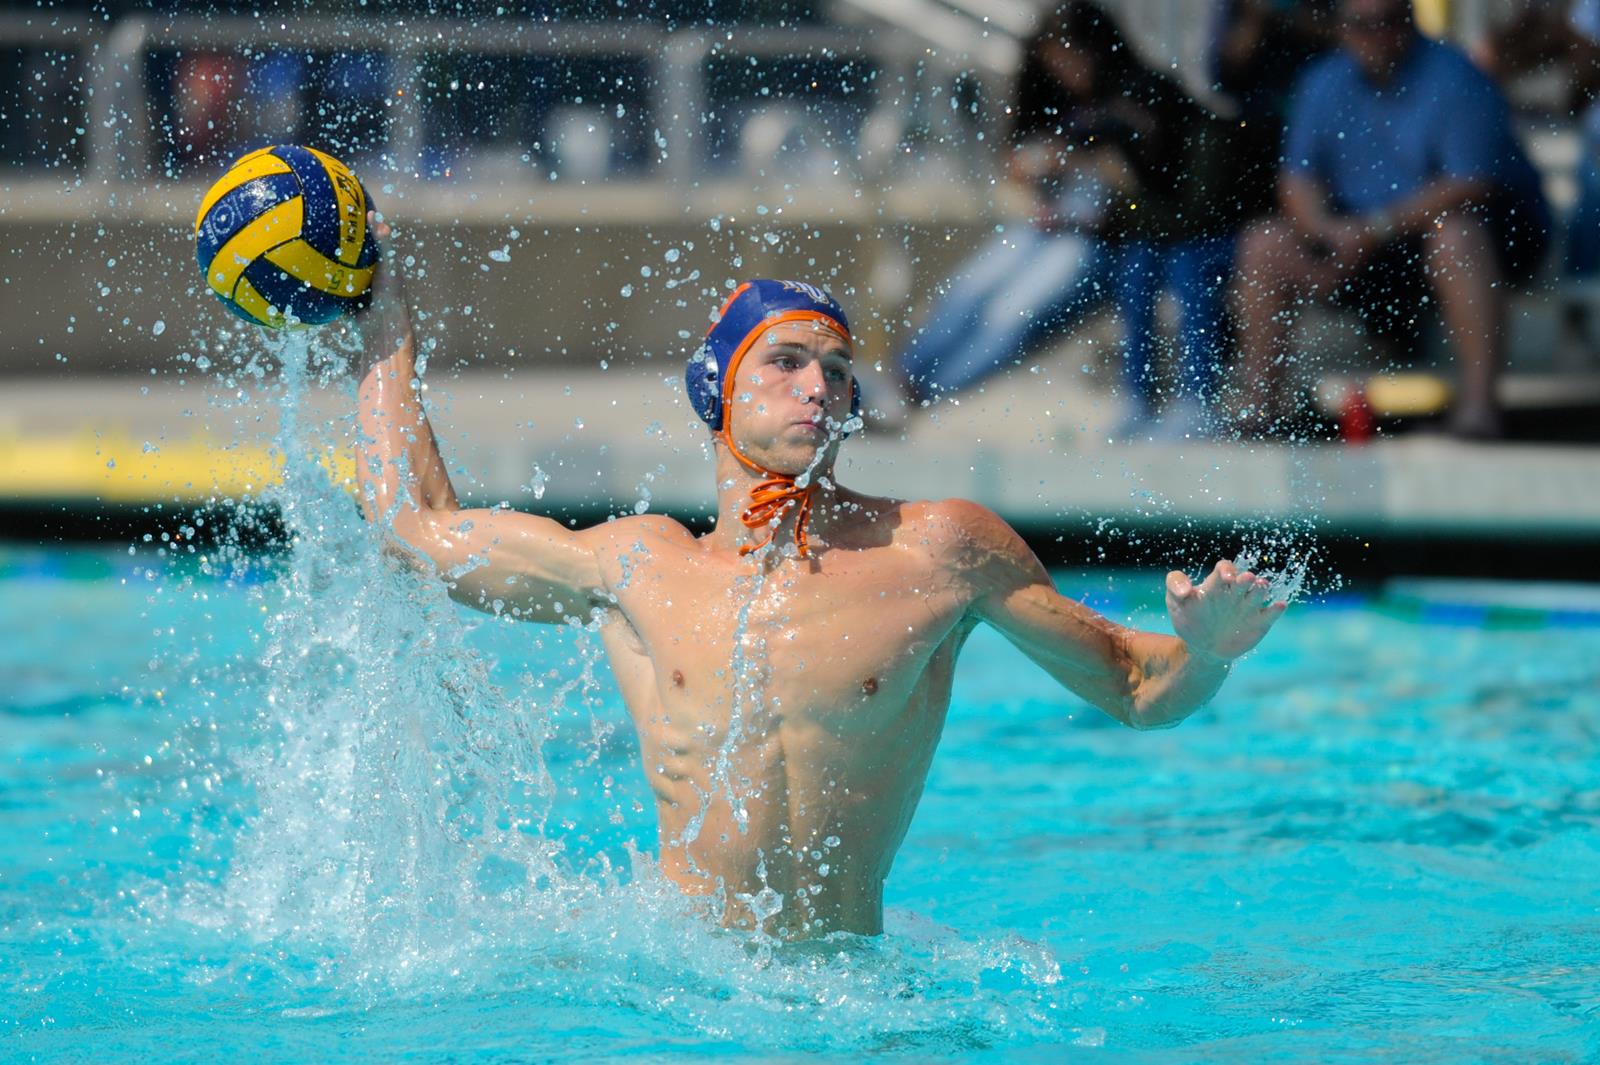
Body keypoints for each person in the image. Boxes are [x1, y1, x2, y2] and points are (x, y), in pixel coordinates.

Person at [353, 213, 1288, 940]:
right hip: (681, 996)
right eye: (788, 361)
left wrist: (1207, 654)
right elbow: (417, 529)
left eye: (838, 370)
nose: (819, 387)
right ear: (717, 389)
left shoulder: (936, 551)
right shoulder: (638, 564)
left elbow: (1133, 684)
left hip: (854, 995)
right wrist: (384, 322)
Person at [1231, 0, 1552, 440]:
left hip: (1476, 242)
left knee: (1456, 236)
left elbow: (1470, 185)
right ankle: (1261, 409)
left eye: (1387, 23)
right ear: (1340, 28)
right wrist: (1325, 232)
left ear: (1409, 21)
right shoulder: (1323, 81)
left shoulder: (1456, 77)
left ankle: (1480, 408)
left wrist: (1373, 230)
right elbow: (1296, 181)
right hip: (1368, 245)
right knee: (1264, 242)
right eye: (1361, 25)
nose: (1375, 36)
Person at [892, 4, 1114, 409]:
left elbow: (1132, 188)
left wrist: (1077, 160)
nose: (1063, 71)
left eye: (1069, 59)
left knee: (1009, 314)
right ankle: (903, 381)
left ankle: (928, 396)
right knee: (967, 293)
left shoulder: (1126, 103)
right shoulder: (1051, 95)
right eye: (1054, 62)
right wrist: (1039, 165)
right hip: (1046, 225)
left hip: (1098, 238)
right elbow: (1013, 164)